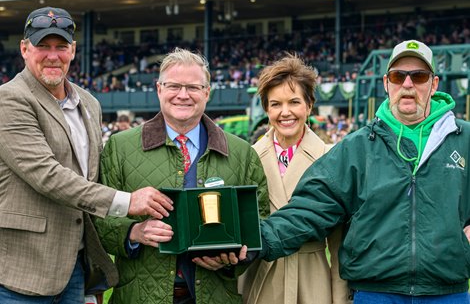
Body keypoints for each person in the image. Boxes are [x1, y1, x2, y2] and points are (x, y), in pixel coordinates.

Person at [256, 40, 470, 303]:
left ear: (434, 84)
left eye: (419, 76)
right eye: (398, 76)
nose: (407, 84)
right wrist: (257, 240)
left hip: (448, 292)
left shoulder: (464, 139)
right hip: (375, 292)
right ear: (386, 83)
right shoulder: (357, 147)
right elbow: (310, 208)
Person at [0, 7, 173, 303]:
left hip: (76, 267)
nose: (53, 56)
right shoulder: (10, 99)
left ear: (73, 50)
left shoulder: (89, 103)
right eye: (43, 46)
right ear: (24, 49)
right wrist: (127, 201)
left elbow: (95, 175)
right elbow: (47, 176)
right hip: (22, 271)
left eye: (61, 47)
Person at [93, 47, 268, 304]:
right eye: (174, 86)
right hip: (139, 296)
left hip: (216, 295)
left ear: (207, 93)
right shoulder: (120, 148)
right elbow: (98, 219)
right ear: (159, 89)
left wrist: (235, 258)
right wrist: (134, 231)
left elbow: (260, 223)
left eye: (193, 88)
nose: (183, 95)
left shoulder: (241, 153)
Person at [240, 54, 350, 304]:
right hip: (262, 277)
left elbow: (339, 245)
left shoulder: (330, 158)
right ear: (266, 108)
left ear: (309, 105)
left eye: (294, 102)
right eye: (276, 104)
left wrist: (341, 299)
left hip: (312, 282)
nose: (285, 112)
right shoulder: (250, 158)